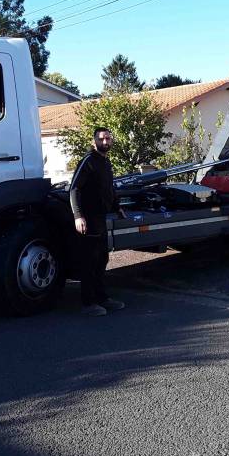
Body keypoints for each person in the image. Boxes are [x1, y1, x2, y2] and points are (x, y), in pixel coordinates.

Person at [69, 127, 126, 316]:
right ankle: (88, 303)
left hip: (101, 219)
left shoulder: (105, 162)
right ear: (94, 141)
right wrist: (78, 216)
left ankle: (102, 298)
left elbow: (109, 188)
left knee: (102, 259)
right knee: (89, 262)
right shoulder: (88, 161)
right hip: (88, 219)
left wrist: (117, 207)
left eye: (108, 138)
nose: (105, 141)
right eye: (102, 139)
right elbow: (74, 189)